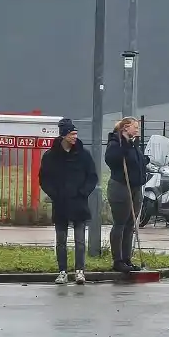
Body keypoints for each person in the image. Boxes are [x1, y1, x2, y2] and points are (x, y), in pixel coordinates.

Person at [39, 118, 98, 285]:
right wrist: (55, 194)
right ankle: (62, 272)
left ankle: (80, 271)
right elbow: (44, 178)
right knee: (61, 240)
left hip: (79, 203)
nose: (75, 137)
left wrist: (83, 193)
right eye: (72, 134)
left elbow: (92, 177)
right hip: (61, 203)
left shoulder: (83, 155)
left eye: (75, 133)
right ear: (63, 135)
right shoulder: (50, 156)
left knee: (80, 240)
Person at [105, 117, 147, 273]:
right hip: (121, 187)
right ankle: (118, 260)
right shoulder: (115, 143)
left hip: (135, 187)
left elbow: (137, 163)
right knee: (120, 223)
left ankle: (127, 259)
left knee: (130, 224)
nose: (137, 130)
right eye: (135, 127)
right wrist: (123, 147)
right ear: (125, 128)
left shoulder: (133, 144)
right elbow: (111, 159)